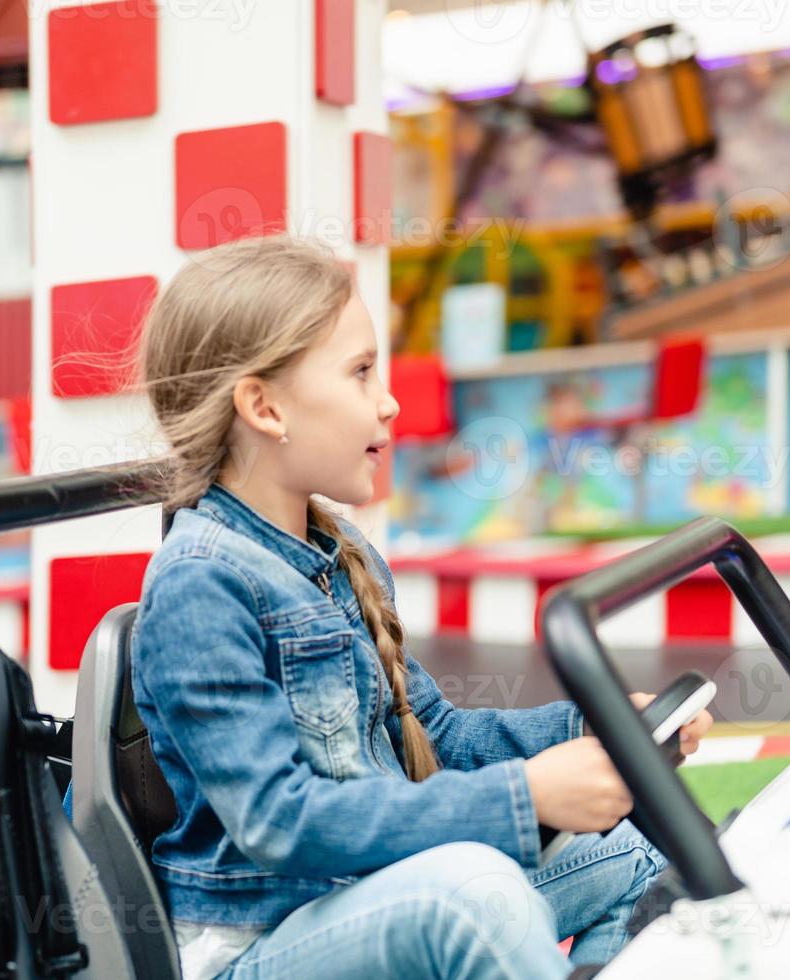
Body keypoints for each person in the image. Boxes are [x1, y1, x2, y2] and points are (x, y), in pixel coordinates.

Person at [128, 235, 713, 980]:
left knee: (628, 854)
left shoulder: (340, 555)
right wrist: (525, 795)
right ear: (264, 406)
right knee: (471, 895)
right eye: (361, 372)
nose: (389, 399)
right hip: (255, 947)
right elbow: (279, 819)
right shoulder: (199, 584)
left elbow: (430, 735)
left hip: (366, 900)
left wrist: (595, 726)